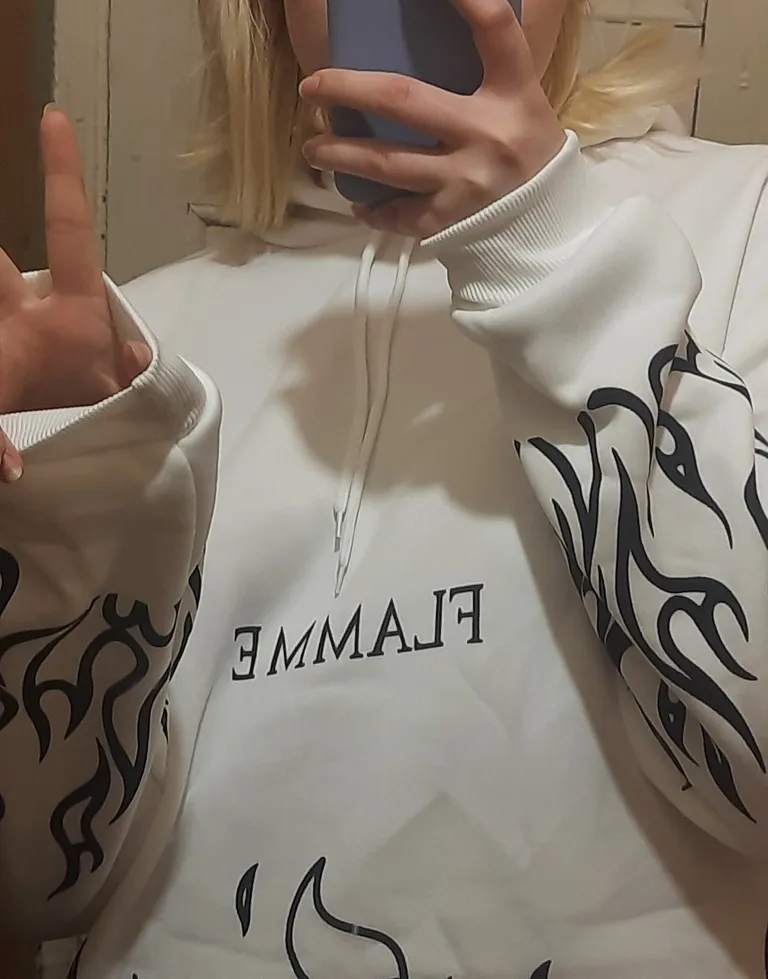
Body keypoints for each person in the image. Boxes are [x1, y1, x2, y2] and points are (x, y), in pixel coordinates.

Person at [1, 0, 768, 976]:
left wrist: (548, 250)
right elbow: (37, 882)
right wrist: (62, 506)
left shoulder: (744, 223)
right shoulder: (142, 347)